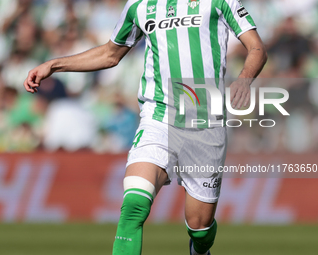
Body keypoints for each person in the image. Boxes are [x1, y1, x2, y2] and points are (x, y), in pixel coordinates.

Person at [24, 0, 267, 254]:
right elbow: (110, 53)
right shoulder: (139, 5)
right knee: (134, 204)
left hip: (204, 123)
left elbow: (257, 48)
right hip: (158, 117)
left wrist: (244, 79)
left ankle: (201, 248)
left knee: (200, 227)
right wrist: (54, 65)